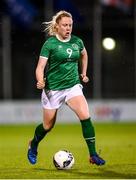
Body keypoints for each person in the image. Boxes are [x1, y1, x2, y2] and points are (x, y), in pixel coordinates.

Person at [27, 10, 105, 166]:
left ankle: (93, 154)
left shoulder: (77, 41)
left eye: (70, 25)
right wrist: (40, 81)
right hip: (53, 89)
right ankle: (33, 144)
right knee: (47, 126)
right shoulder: (50, 44)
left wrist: (83, 73)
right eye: (64, 25)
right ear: (57, 26)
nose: (68, 28)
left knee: (85, 116)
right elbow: (40, 67)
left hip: (72, 86)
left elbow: (84, 55)